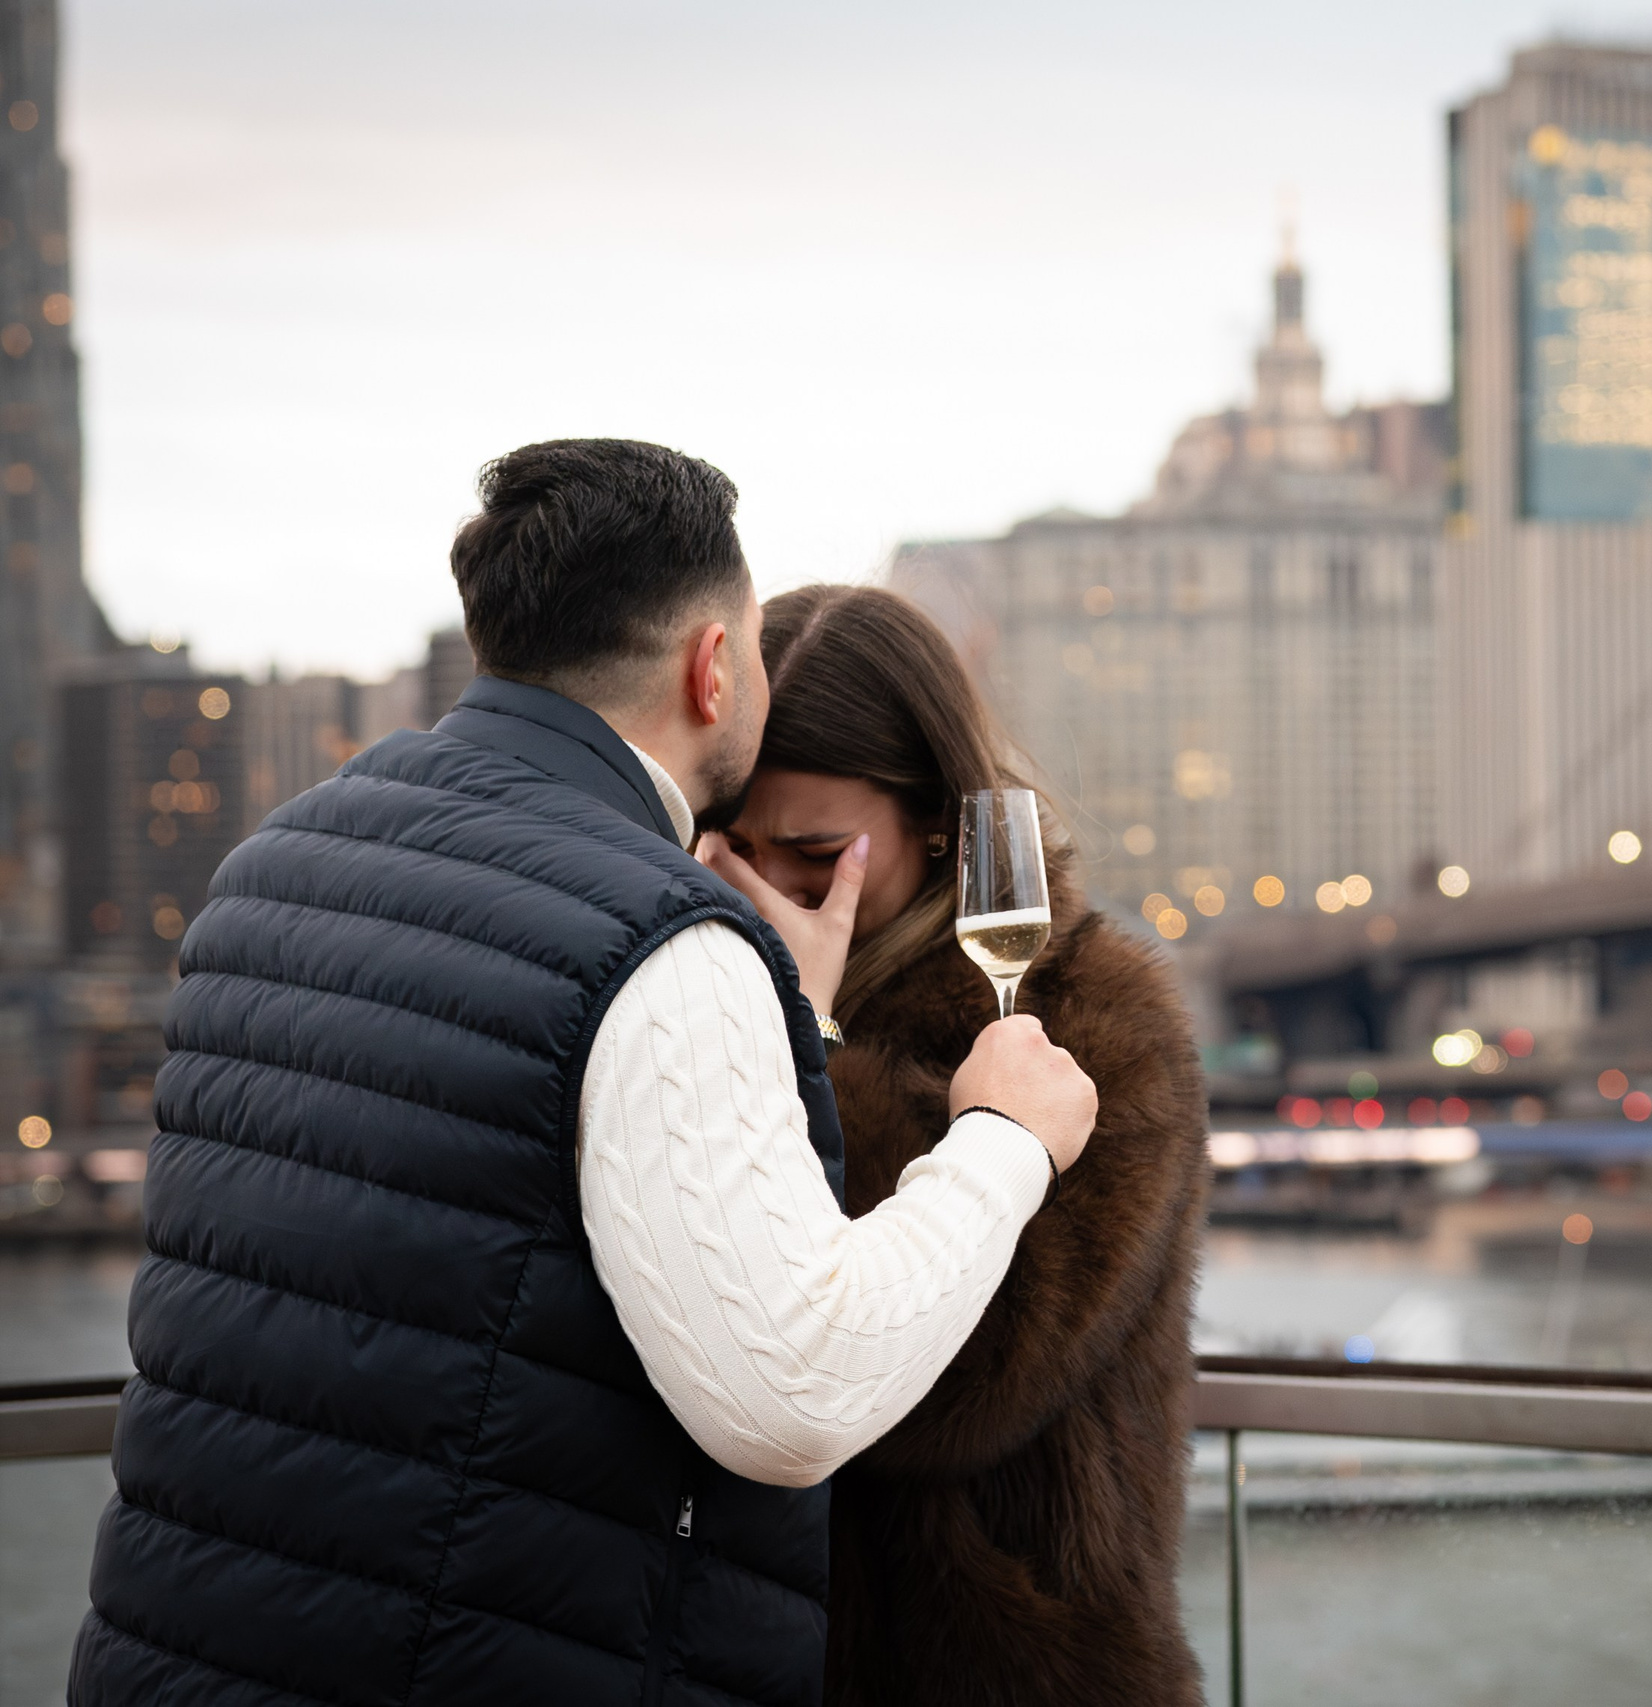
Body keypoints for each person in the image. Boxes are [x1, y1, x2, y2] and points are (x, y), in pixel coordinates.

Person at [70, 440, 1097, 1706]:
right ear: (715, 669)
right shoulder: (661, 944)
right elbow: (792, 1393)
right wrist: (1002, 1141)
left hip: (184, 1657)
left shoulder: (268, 868)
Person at [704, 585, 1208, 1707]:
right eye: (731, 850)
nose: (770, 892)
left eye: (815, 852)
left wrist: (812, 1044)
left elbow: (969, 1387)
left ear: (940, 817)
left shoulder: (1090, 1018)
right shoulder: (697, 995)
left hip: (1020, 1670)